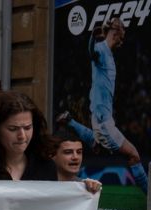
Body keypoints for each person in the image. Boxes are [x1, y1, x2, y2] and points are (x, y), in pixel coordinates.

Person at [56, 17, 147, 193]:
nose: (124, 35)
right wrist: (93, 37)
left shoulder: (109, 54)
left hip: (102, 118)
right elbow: (92, 52)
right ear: (116, 30)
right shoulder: (101, 49)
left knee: (98, 146)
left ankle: (70, 121)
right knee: (134, 155)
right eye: (123, 31)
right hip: (103, 120)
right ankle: (150, 199)